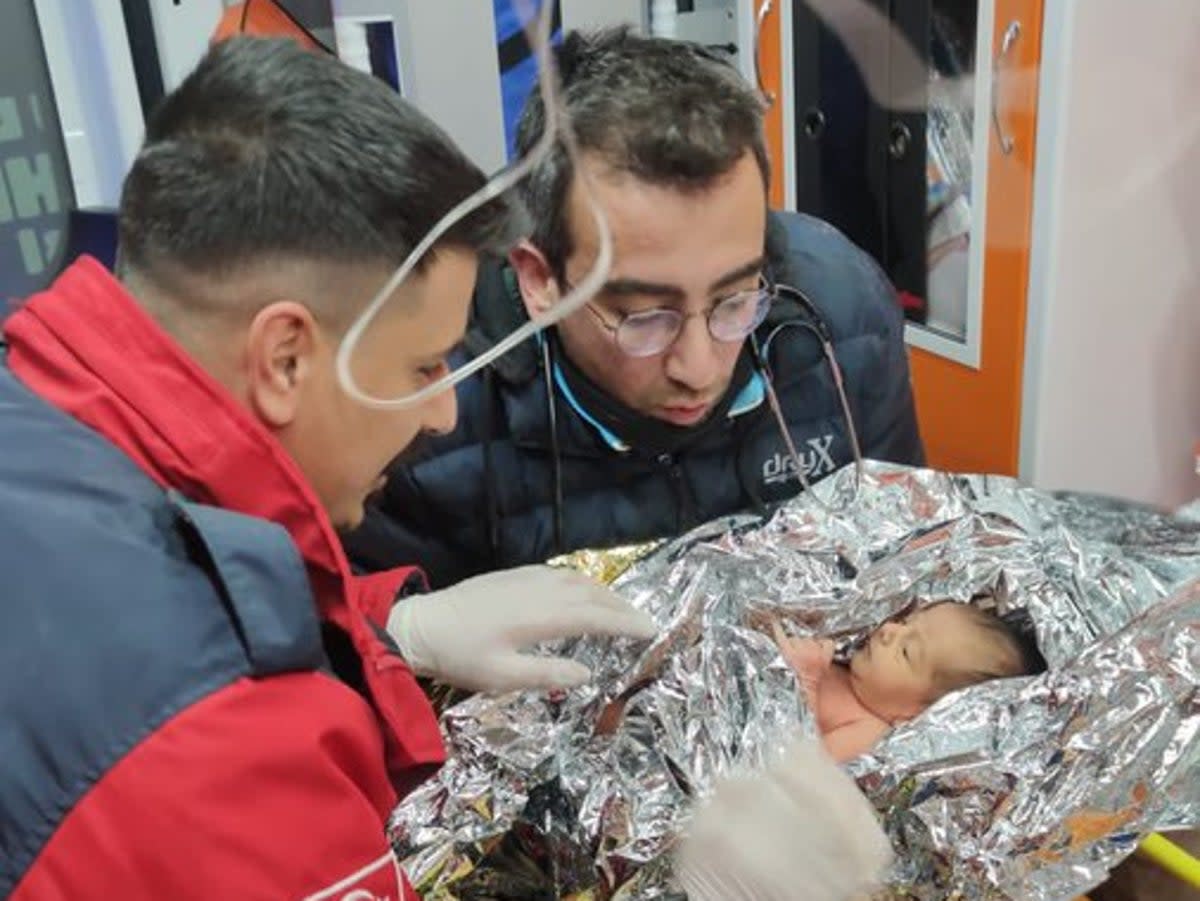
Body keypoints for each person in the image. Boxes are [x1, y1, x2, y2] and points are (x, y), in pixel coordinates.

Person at [0, 36, 894, 901]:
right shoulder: (218, 757)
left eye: (735, 302)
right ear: (283, 358)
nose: (441, 408)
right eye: (423, 366)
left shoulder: (39, 414)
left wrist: (385, 631)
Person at [346, 27, 926, 589]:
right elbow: (364, 642)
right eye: (647, 317)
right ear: (540, 280)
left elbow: (902, 549)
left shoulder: (843, 318)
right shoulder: (433, 404)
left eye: (734, 300)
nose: (699, 370)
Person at [773, 602, 1048, 762]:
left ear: (917, 715)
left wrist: (805, 680)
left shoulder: (868, 732)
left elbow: (801, 770)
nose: (889, 631)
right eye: (906, 622)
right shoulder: (856, 677)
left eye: (906, 652)